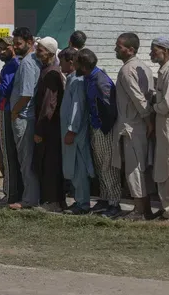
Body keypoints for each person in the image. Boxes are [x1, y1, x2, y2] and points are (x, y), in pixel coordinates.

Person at [112, 33, 155, 220]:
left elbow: (139, 98)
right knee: (139, 167)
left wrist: (147, 121)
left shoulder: (128, 70)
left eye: (119, 46)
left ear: (130, 49)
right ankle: (144, 209)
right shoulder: (142, 67)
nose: (115, 49)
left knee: (134, 168)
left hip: (133, 126)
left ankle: (139, 210)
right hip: (138, 125)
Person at [76, 48, 120, 218]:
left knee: (108, 166)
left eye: (77, 64)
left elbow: (109, 108)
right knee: (100, 166)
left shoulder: (100, 80)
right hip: (95, 127)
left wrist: (103, 127)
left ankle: (114, 203)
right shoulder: (88, 78)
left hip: (104, 129)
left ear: (84, 65)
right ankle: (105, 198)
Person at [0, 36, 23, 206]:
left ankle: (9, 193)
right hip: (5, 110)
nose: (2, 51)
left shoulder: (13, 66)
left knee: (6, 153)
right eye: (0, 48)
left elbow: (5, 90)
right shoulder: (9, 65)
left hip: (6, 110)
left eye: (5, 48)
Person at [8, 27, 41, 210]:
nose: (15, 46)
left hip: (23, 116)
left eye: (19, 43)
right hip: (25, 115)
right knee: (26, 159)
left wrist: (15, 112)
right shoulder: (30, 60)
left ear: (29, 42)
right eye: (15, 43)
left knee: (26, 160)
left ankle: (29, 199)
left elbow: (26, 94)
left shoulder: (28, 63)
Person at [59, 47, 94, 215]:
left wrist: (72, 130)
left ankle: (83, 203)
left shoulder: (78, 81)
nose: (60, 65)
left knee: (79, 168)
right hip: (70, 132)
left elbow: (77, 107)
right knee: (73, 169)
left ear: (71, 62)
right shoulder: (71, 79)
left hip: (75, 133)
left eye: (62, 62)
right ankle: (79, 201)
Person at [33, 37, 65, 212]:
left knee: (50, 164)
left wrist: (40, 129)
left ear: (51, 53)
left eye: (41, 50)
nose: (38, 53)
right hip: (48, 126)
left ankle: (53, 201)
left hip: (49, 128)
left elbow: (48, 105)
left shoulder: (52, 73)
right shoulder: (47, 70)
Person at [150, 37, 169, 220]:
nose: (151, 53)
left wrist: (153, 107)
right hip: (161, 124)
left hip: (167, 124)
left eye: (154, 50)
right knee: (163, 165)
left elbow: (166, 104)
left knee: (168, 165)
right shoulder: (163, 71)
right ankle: (166, 205)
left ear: (165, 51)